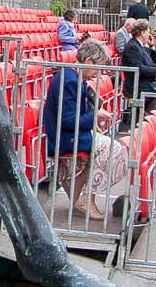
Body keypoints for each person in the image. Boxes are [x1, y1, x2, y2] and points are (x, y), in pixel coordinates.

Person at [41, 38, 110, 220]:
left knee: (114, 148)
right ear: (88, 62)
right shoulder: (69, 80)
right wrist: (96, 115)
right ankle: (85, 199)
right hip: (64, 137)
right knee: (112, 151)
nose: (97, 73)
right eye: (97, 67)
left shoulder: (73, 76)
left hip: (71, 133)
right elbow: (69, 121)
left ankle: (83, 196)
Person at [118, 17, 156, 110]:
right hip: (138, 85)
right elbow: (139, 69)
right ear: (142, 33)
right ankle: (145, 119)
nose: (149, 35)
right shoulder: (133, 47)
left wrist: (153, 46)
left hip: (146, 83)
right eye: (148, 32)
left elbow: (151, 63)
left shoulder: (140, 46)